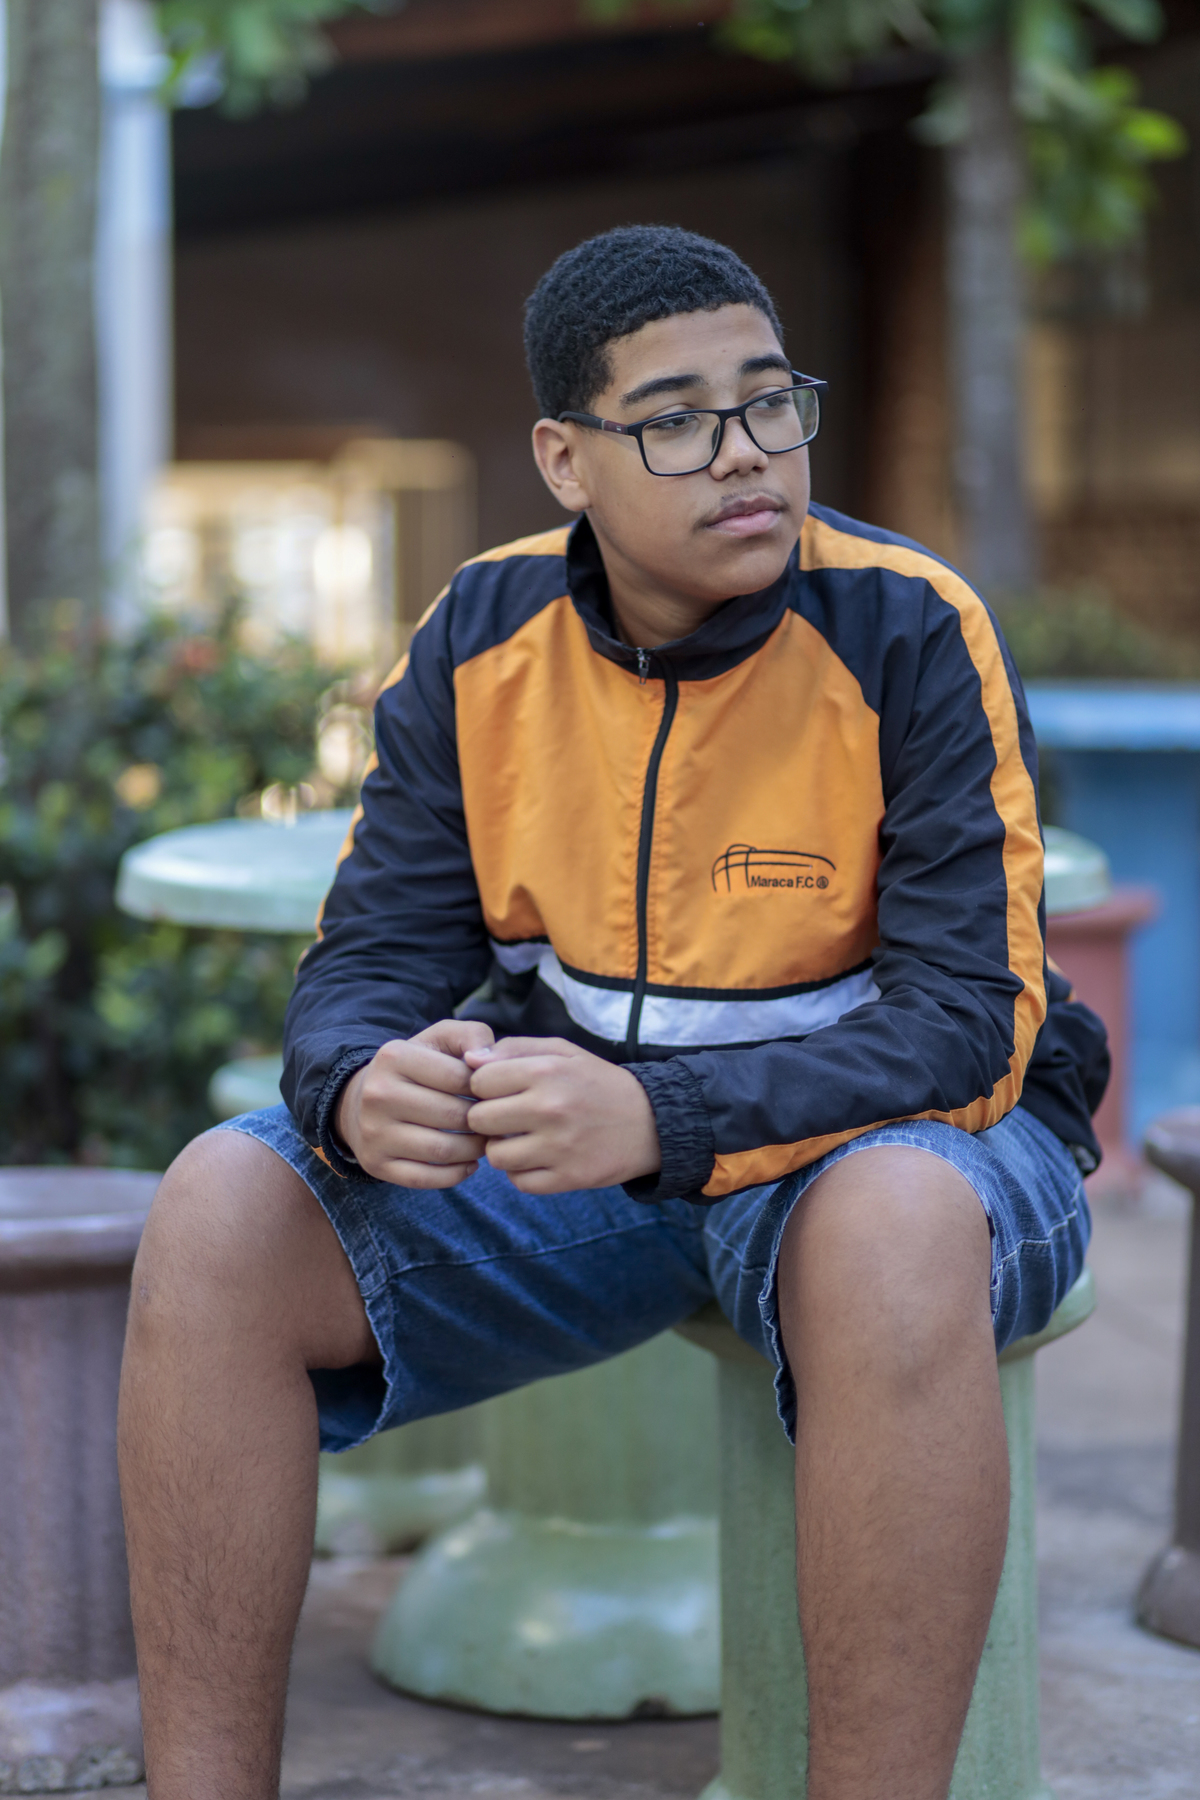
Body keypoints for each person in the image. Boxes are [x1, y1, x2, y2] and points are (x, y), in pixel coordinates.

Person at [118, 225, 1108, 1800]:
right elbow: (371, 952)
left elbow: (968, 1023)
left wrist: (665, 1115)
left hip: (906, 1156)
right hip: (604, 1175)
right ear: (564, 459)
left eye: (769, 402)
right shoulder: (478, 634)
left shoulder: (910, 625)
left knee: (893, 1224)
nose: (745, 454)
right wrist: (356, 1079)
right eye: (676, 421)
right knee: (222, 1205)